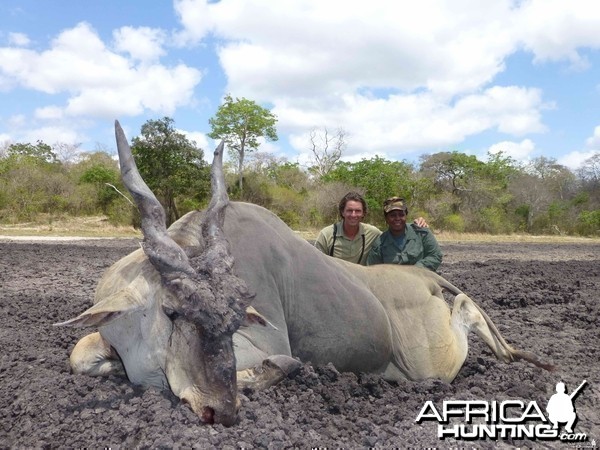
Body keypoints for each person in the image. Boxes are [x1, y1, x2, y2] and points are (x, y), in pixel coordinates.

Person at [314, 192, 429, 265]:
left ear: (364, 213)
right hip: (334, 283)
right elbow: (315, 264)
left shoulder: (373, 233)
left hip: (361, 284)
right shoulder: (326, 235)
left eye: (358, 211)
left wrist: (416, 224)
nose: (353, 215)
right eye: (349, 210)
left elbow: (395, 232)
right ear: (342, 212)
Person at [366, 196, 442, 271]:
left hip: (422, 278)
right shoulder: (379, 243)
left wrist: (416, 269)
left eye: (401, 214)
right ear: (386, 218)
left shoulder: (422, 233)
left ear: (406, 215)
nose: (397, 218)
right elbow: (372, 269)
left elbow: (435, 256)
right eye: (392, 215)